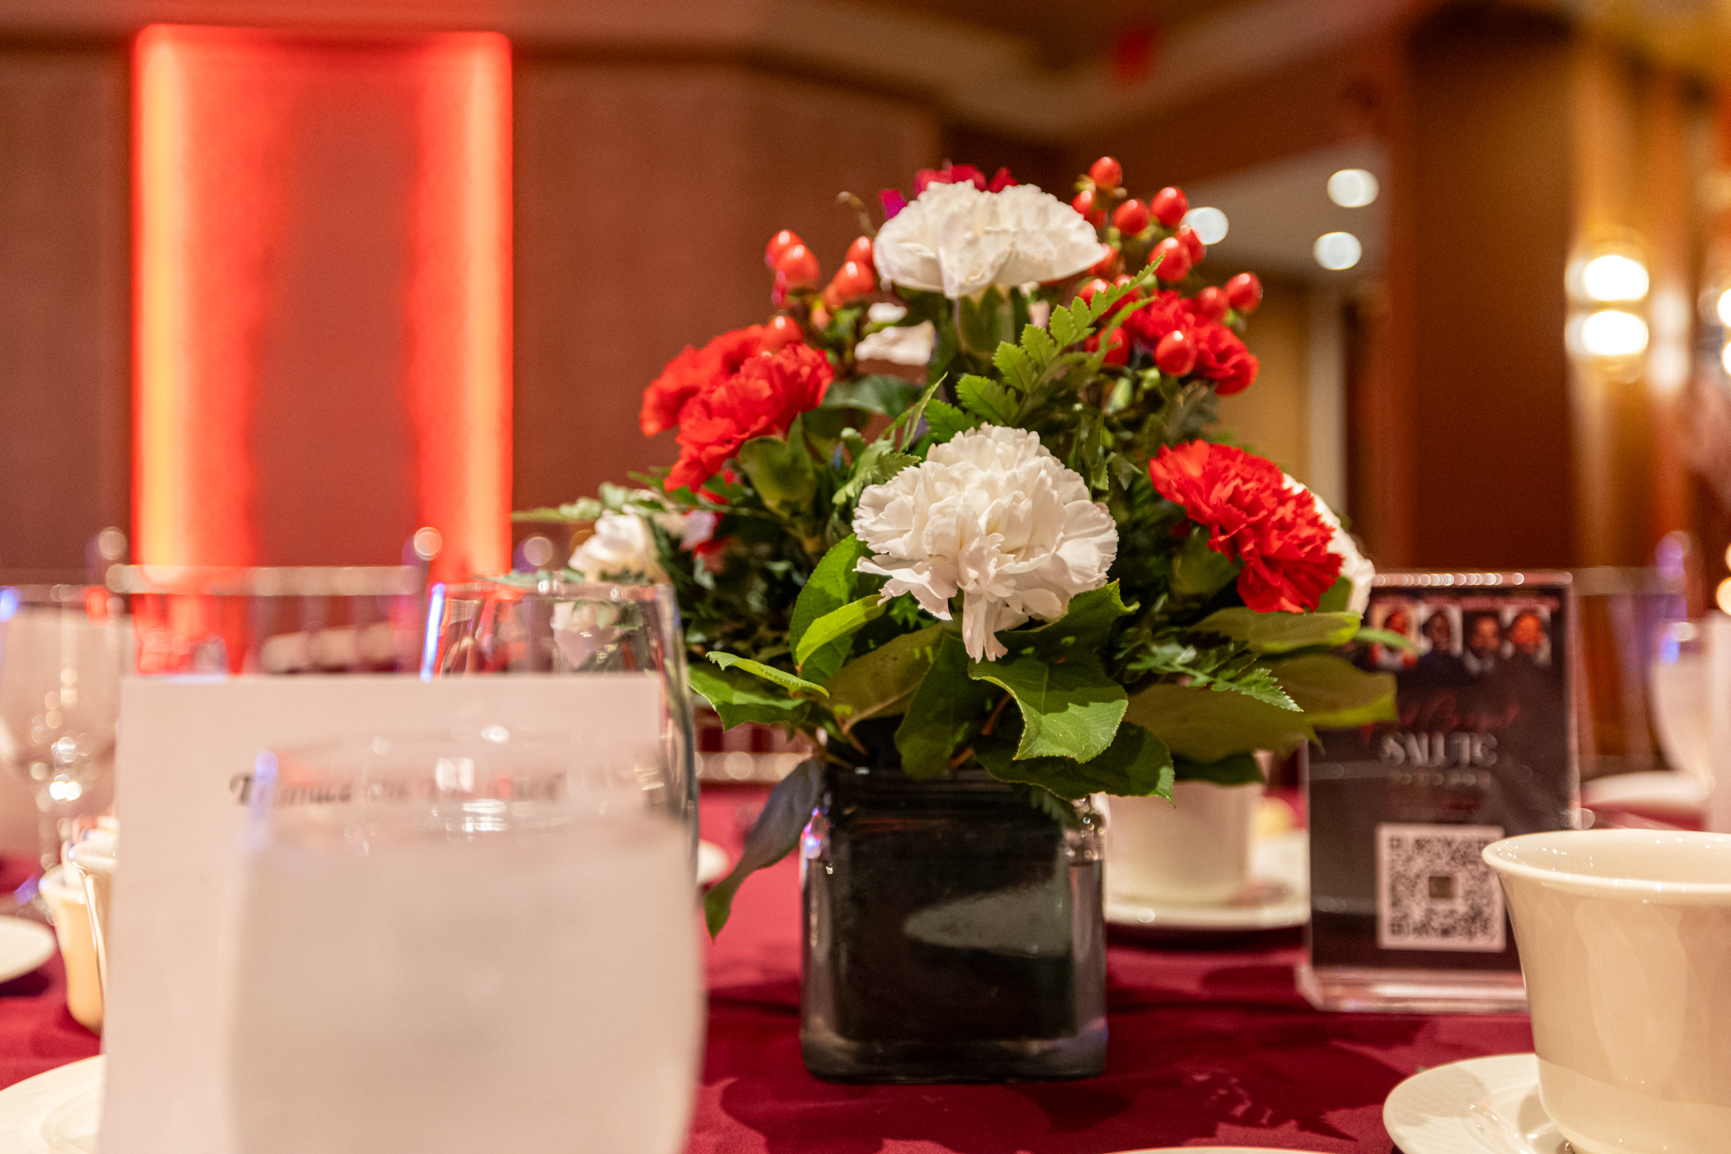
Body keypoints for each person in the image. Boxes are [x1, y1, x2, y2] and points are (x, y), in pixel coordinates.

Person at [1413, 610, 1467, 686]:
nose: (1444, 634)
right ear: (1428, 633)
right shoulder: (1422, 665)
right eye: (1439, 630)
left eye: (1447, 629)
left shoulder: (1459, 664)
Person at [1463, 613, 1502, 679]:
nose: (1487, 642)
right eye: (1480, 635)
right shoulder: (1454, 668)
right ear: (1469, 637)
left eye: (1493, 636)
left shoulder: (1506, 669)